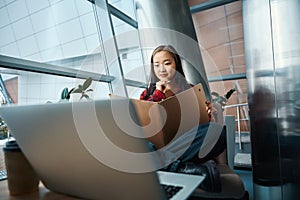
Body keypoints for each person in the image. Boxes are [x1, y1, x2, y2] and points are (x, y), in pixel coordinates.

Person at [140, 45, 226, 192]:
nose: (162, 69)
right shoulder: (147, 94)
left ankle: (169, 167)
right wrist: (158, 94)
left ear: (176, 64)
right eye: (156, 65)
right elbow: (145, 123)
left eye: (167, 63)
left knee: (215, 131)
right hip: (158, 147)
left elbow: (203, 123)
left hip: (185, 144)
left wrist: (209, 113)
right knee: (141, 144)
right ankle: (182, 168)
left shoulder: (190, 89)